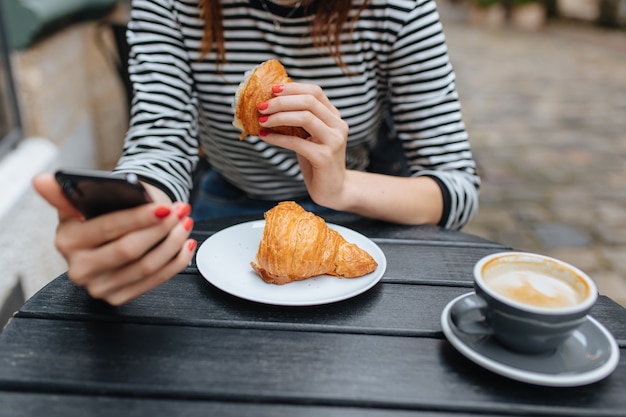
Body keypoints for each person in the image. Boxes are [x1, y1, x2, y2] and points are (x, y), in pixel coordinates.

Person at [34, 0, 480, 305]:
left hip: (357, 211)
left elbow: (455, 185)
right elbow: (161, 140)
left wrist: (341, 186)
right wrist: (132, 217)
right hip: (224, 197)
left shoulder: (398, 9)